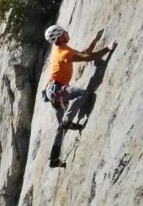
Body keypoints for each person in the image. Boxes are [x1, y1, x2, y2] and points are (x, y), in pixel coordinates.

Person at [43, 24, 115, 168]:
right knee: (83, 94)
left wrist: (94, 41)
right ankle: (68, 121)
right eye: (64, 31)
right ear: (60, 36)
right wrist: (108, 48)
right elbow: (87, 58)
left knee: (61, 128)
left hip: (53, 91)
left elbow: (84, 53)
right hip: (57, 90)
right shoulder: (63, 52)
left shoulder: (62, 49)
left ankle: (54, 159)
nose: (67, 32)